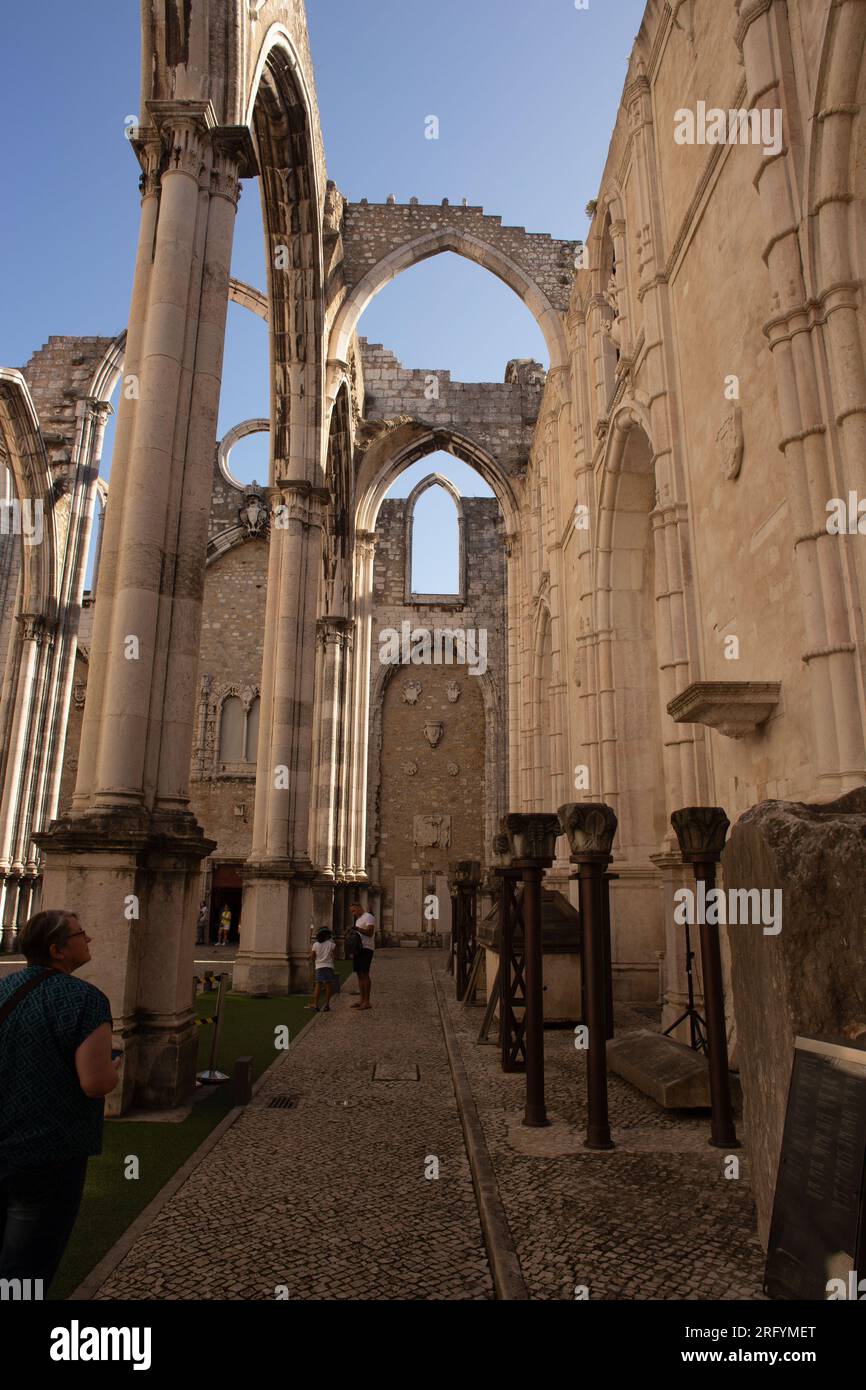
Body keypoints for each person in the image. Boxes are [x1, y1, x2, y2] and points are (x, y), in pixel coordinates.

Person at [0, 910, 120, 1292]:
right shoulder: (84, 999)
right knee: (28, 1264)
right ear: (58, 950)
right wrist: (115, 1064)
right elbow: (96, 1084)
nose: (89, 940)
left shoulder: (2, 989)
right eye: (81, 934)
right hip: (49, 1151)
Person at [349, 902, 376, 1011]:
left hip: (366, 948)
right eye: (352, 912)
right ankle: (361, 999)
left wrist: (357, 929)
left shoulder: (368, 917)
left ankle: (367, 1001)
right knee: (359, 974)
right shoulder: (358, 919)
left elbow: (370, 932)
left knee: (365, 973)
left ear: (359, 908)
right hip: (358, 948)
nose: (353, 913)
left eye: (354, 911)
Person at [307, 928, 337, 1013]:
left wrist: (316, 959)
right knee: (328, 986)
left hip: (319, 966)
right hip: (329, 966)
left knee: (318, 986)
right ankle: (327, 1004)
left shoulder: (315, 944)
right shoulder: (332, 944)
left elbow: (312, 957)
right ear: (327, 935)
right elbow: (335, 955)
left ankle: (316, 1005)